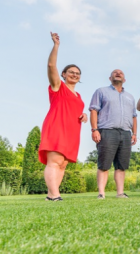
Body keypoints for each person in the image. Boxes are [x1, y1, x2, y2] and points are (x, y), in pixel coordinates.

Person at [39, 32, 87, 201]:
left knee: (62, 164)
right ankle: (54, 195)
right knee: (54, 161)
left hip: (72, 131)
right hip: (56, 126)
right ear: (64, 74)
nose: (75, 74)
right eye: (71, 72)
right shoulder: (58, 86)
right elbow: (51, 66)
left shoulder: (79, 96)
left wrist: (84, 115)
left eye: (77, 73)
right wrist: (56, 46)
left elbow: (75, 109)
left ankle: (52, 195)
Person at [90, 69, 137, 199]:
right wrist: (94, 130)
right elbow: (94, 110)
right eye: (115, 73)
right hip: (107, 131)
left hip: (126, 133)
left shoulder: (130, 97)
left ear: (124, 79)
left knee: (121, 166)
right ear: (110, 78)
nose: (118, 73)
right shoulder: (101, 92)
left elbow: (134, 116)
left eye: (121, 73)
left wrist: (134, 133)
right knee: (104, 164)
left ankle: (120, 193)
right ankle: (101, 193)